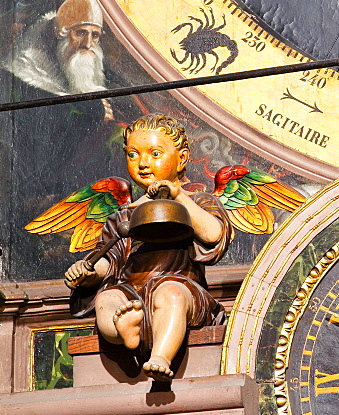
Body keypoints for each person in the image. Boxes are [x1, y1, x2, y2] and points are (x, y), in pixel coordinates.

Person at [65, 114, 231, 380]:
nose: (143, 163)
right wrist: (89, 274)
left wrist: (177, 195)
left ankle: (160, 357)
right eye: (133, 154)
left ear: (183, 158)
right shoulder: (123, 216)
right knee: (106, 300)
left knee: (171, 295)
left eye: (155, 153)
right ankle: (126, 333)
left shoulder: (198, 204)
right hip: (130, 289)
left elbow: (213, 235)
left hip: (180, 285)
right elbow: (110, 260)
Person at [3, 0, 107, 100]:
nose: (88, 44)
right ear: (61, 35)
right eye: (80, 33)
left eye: (95, 35)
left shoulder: (95, 65)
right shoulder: (25, 73)